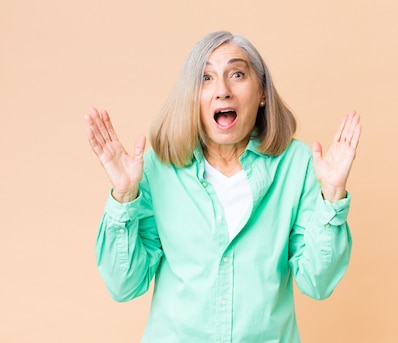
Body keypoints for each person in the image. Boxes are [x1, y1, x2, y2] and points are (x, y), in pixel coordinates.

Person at [84, 31, 361, 342]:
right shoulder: (156, 170)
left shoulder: (298, 165)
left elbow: (318, 283)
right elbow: (124, 285)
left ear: (262, 93)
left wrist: (333, 195)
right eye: (206, 77)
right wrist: (123, 197)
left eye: (237, 74)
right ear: (192, 96)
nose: (222, 91)